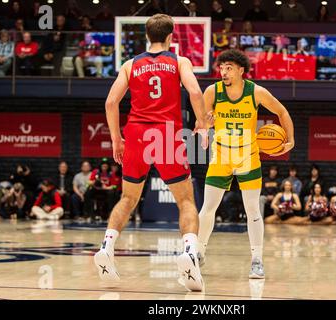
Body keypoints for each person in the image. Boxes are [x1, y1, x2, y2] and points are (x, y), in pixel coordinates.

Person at [93, 14, 209, 292]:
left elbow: (111, 103)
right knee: (186, 201)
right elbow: (194, 92)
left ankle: (107, 247)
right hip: (166, 134)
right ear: (171, 37)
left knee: (128, 197)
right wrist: (202, 123)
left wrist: (116, 139)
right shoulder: (179, 62)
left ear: (147, 36)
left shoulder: (130, 64)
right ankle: (190, 252)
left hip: (136, 134)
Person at [197, 49, 295, 279]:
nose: (224, 72)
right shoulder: (213, 91)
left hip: (248, 156)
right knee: (208, 208)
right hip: (221, 155)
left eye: (229, 68)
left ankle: (257, 260)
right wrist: (206, 124)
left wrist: (290, 140)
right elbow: (201, 122)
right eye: (221, 68)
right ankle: (198, 254)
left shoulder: (256, 92)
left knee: (252, 210)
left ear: (241, 70)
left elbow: (282, 111)